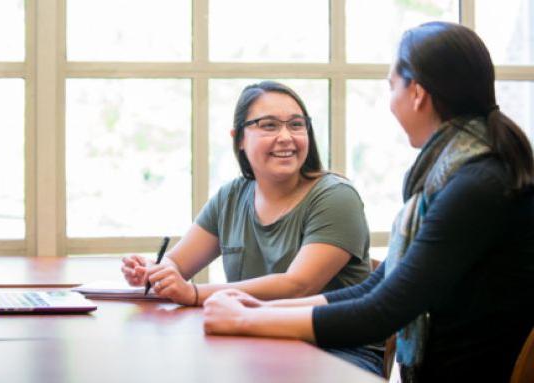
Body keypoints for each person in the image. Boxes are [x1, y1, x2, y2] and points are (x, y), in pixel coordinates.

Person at [203, 22, 534, 383]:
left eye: (392, 87)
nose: (390, 103)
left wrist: (246, 318)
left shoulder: (476, 186)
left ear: (418, 94)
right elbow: (374, 287)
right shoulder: (461, 174)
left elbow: (383, 311)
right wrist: (260, 309)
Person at [122, 81, 371, 307]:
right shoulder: (231, 196)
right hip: (257, 338)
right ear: (239, 138)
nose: (285, 137)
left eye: (296, 125)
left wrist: (196, 293)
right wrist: (156, 272)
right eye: (269, 126)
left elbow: (298, 286)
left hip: (334, 350)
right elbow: (177, 263)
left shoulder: (337, 197)